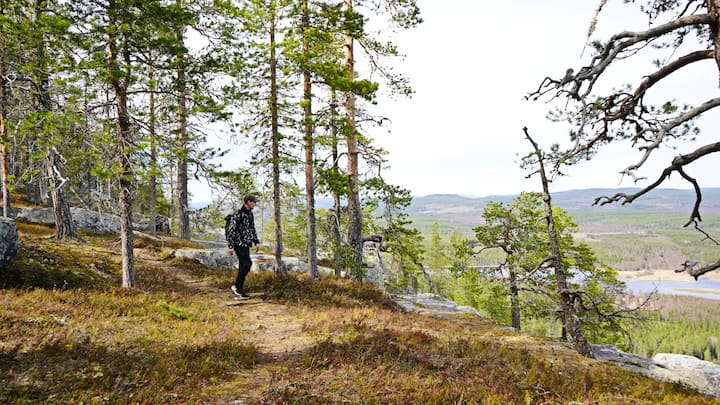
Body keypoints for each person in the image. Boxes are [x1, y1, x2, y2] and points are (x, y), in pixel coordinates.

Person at [226, 194, 261, 299]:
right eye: (254, 202)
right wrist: (230, 246)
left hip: (246, 243)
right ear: (248, 202)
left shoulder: (250, 214)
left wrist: (256, 242)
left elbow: (252, 228)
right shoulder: (238, 214)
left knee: (246, 264)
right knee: (246, 263)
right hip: (238, 243)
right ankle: (237, 287)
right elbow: (231, 230)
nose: (255, 204)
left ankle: (238, 288)